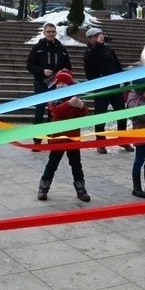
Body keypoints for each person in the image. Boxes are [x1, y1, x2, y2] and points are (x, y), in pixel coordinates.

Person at [37, 69, 92, 202]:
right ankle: (43, 188)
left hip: (73, 138)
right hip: (58, 138)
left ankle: (81, 189)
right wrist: (68, 104)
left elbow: (85, 115)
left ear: (70, 85)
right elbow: (56, 112)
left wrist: (82, 106)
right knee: (52, 164)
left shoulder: (76, 98)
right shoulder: (54, 99)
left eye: (64, 83)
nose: (60, 85)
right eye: (58, 83)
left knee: (76, 165)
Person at [83, 27, 134, 154]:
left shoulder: (108, 50)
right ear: (90, 39)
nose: (100, 37)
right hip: (100, 86)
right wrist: (97, 46)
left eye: (100, 35)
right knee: (101, 114)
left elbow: (117, 65)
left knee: (121, 112)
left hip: (114, 85)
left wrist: (125, 79)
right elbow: (90, 63)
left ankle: (123, 139)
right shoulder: (89, 51)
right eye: (96, 36)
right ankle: (100, 142)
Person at [26, 22, 72, 148]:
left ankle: (52, 138)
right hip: (41, 83)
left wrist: (60, 73)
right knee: (40, 111)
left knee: (54, 112)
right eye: (48, 31)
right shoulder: (37, 48)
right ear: (44, 33)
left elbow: (68, 66)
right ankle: (37, 140)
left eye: (53, 31)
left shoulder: (61, 49)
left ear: (56, 33)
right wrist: (42, 71)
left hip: (56, 85)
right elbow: (29, 66)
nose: (51, 34)